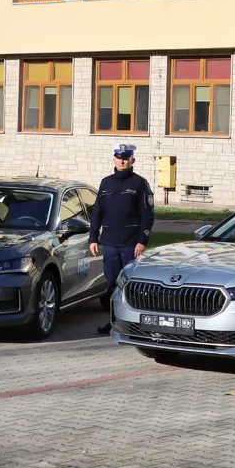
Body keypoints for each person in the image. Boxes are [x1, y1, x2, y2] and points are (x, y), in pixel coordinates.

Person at [89, 143, 154, 336]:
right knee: (111, 284)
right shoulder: (105, 183)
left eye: (126, 158)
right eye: (119, 157)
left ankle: (133, 323)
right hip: (109, 242)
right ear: (114, 159)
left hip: (130, 244)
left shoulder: (140, 184)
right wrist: (93, 238)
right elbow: (97, 213)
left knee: (131, 285)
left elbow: (147, 215)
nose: (122, 161)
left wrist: (142, 241)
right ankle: (113, 321)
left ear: (132, 161)